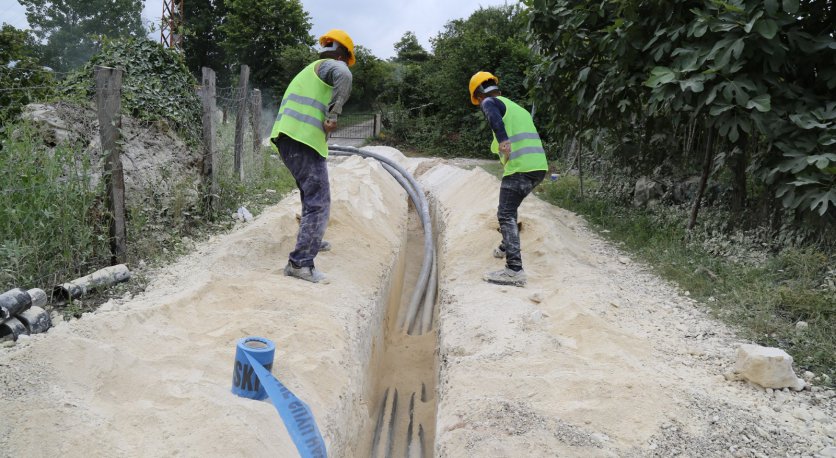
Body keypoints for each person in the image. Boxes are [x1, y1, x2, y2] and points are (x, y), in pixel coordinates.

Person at [270, 29, 355, 284]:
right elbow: (344, 74)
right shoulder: (333, 66)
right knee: (319, 201)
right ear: (343, 54)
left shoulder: (311, 71)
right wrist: (333, 115)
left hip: (292, 139)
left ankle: (311, 241)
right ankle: (300, 264)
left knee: (311, 197)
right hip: (302, 140)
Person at [469, 71, 548, 287]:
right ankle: (506, 246)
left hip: (521, 168)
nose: (481, 105)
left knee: (504, 213)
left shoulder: (489, 102)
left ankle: (514, 270)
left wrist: (503, 140)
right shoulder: (516, 108)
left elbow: (493, 118)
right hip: (538, 168)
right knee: (510, 210)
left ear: (479, 94)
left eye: (478, 101)